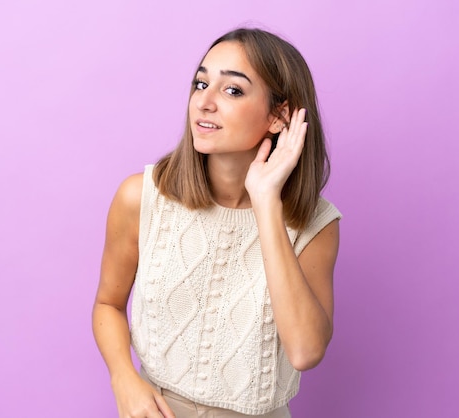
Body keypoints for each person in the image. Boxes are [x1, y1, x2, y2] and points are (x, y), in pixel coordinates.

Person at [92, 27, 342, 418]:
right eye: (201, 83)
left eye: (232, 91)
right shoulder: (141, 197)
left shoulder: (316, 223)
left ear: (279, 116)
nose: (204, 103)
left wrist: (265, 203)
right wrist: (123, 377)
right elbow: (107, 303)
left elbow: (306, 350)